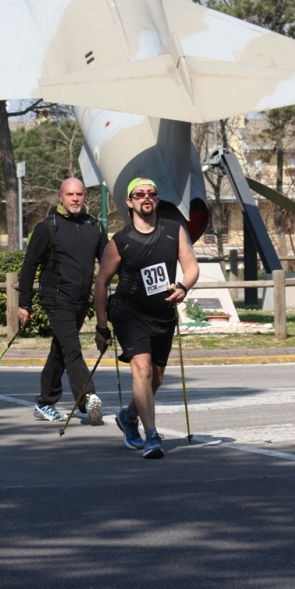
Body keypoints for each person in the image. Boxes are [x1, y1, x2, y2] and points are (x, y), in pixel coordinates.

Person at [94, 177, 199, 459]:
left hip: (162, 314)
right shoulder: (120, 242)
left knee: (156, 378)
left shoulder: (174, 230)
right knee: (142, 369)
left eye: (151, 193)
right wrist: (101, 327)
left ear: (157, 199)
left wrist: (183, 287)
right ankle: (152, 436)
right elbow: (101, 283)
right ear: (129, 202)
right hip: (129, 313)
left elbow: (191, 267)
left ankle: (128, 416)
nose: (146, 197)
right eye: (139, 194)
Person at [18, 178, 108, 424]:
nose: (75, 198)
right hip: (56, 298)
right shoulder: (48, 227)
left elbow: (108, 261)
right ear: (60, 197)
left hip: (81, 300)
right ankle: (87, 397)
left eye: (79, 194)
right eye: (70, 194)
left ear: (85, 196)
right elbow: (29, 266)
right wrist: (24, 303)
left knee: (60, 349)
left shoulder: (94, 226)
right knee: (72, 348)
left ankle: (44, 402)